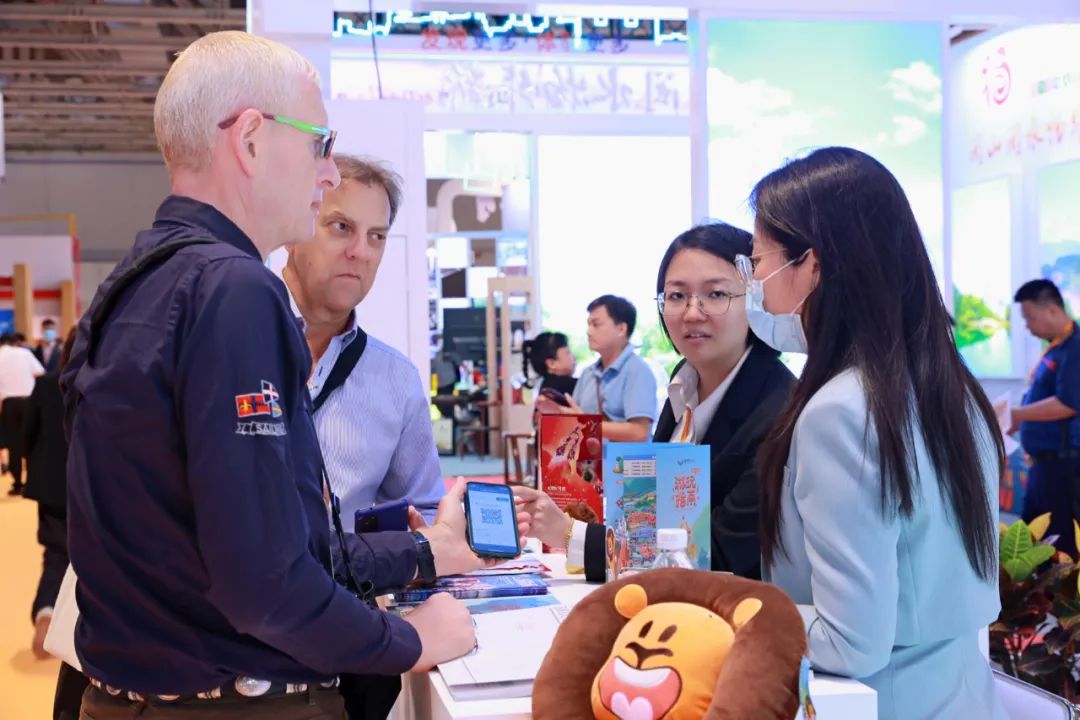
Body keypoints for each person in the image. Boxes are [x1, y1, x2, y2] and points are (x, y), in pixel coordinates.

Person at [59, 31, 510, 720]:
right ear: (249, 140)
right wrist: (409, 640)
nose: (327, 173)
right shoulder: (235, 290)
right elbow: (265, 583)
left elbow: (260, 543)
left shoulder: (132, 285)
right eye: (319, 144)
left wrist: (425, 551)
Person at [747, 147, 1005, 720]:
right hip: (964, 695)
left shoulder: (840, 412)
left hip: (881, 702)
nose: (755, 283)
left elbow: (850, 642)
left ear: (811, 266)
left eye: (759, 259)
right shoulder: (951, 389)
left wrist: (738, 609)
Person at [516, 223, 795, 580]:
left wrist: (572, 535)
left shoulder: (779, 413)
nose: (692, 312)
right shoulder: (684, 382)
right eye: (677, 296)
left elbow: (717, 553)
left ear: (755, 298)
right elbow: (655, 517)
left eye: (716, 294)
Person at [283, 154, 444, 524]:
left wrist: (423, 534)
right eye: (341, 227)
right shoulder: (231, 343)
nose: (361, 252)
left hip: (354, 563)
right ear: (293, 229)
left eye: (377, 236)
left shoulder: (396, 380)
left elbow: (426, 508)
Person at [1009, 279, 1080, 555]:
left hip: (1063, 467)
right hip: (1044, 466)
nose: (1028, 326)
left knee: (1059, 546)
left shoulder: (1075, 348)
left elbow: (1069, 403)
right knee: (1029, 541)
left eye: (1030, 318)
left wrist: (1017, 414)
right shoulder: (1056, 347)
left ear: (1052, 309)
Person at [537, 295, 658, 441]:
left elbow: (639, 432)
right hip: (588, 456)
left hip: (622, 457)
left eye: (596, 324)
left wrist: (587, 423)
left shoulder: (637, 371)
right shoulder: (588, 374)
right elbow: (576, 421)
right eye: (588, 324)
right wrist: (557, 413)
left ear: (621, 329)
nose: (589, 332)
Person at [24, 327, 77, 659]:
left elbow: (29, 431)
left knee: (56, 554)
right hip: (92, 484)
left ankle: (46, 610)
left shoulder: (45, 384)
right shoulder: (103, 384)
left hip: (50, 483)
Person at [0, 331, 45, 494]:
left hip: (9, 403)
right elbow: (40, 372)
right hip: (29, 401)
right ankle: (35, 480)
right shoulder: (25, 353)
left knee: (14, 444)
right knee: (32, 440)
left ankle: (18, 483)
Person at [522, 331, 577, 397]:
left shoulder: (546, 385)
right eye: (568, 353)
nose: (574, 357)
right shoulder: (569, 385)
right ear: (551, 364)